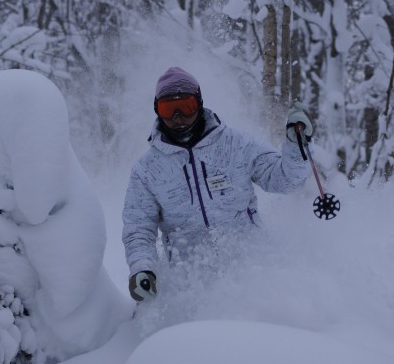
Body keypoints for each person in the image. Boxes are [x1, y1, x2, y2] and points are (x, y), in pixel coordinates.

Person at [122, 66, 313, 302]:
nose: (178, 117)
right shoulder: (147, 170)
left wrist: (296, 146)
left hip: (255, 274)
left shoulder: (236, 145)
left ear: (199, 102)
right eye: (168, 109)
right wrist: (142, 268)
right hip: (192, 286)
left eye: (186, 106)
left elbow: (286, 181)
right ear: (157, 110)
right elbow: (138, 228)